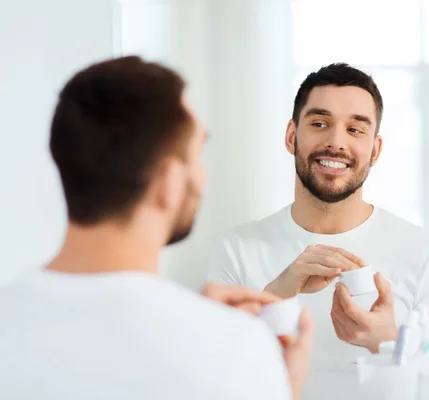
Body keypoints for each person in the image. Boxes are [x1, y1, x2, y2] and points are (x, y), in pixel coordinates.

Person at [0, 56, 313, 400]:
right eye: (197, 154)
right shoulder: (234, 350)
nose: (203, 176)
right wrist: (280, 385)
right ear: (169, 182)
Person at [206, 63, 429, 398]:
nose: (335, 142)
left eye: (355, 130)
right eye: (319, 123)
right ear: (291, 136)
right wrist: (275, 297)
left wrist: (388, 344)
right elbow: (213, 376)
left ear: (375, 150)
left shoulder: (427, 252)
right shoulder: (237, 248)